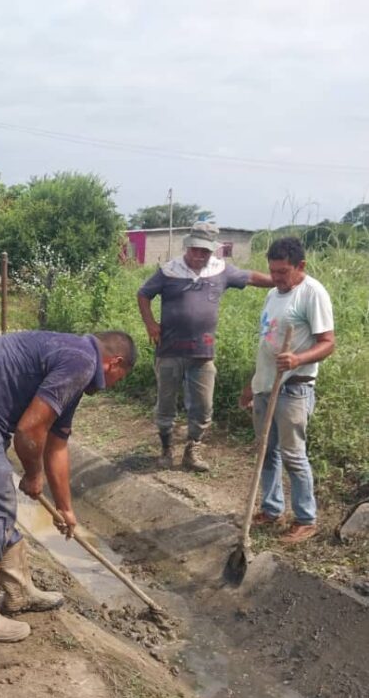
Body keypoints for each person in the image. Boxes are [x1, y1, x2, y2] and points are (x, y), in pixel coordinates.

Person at [0, 330, 136, 643]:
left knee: (0, 500)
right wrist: (34, 475)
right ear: (114, 364)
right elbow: (28, 430)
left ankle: (17, 590)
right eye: (121, 378)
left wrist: (65, 508)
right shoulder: (81, 362)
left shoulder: (75, 364)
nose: (114, 386)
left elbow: (56, 445)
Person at [137, 221, 272, 471]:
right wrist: (150, 324)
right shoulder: (169, 271)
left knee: (203, 404)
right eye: (195, 250)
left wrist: (281, 281)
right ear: (187, 246)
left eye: (205, 251)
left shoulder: (220, 271)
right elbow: (143, 293)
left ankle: (192, 450)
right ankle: (166, 448)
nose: (199, 256)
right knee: (166, 402)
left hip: (202, 352)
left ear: (212, 251)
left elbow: (252, 277)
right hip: (169, 351)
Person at [238, 237, 335, 544]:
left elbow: (327, 343)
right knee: (266, 451)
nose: (276, 277)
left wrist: (297, 359)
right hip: (265, 385)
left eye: (282, 272)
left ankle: (306, 519)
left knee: (293, 456)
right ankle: (271, 509)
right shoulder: (272, 294)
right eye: (273, 271)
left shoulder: (312, 293)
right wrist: (251, 385)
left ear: (300, 266)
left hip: (293, 388)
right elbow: (266, 345)